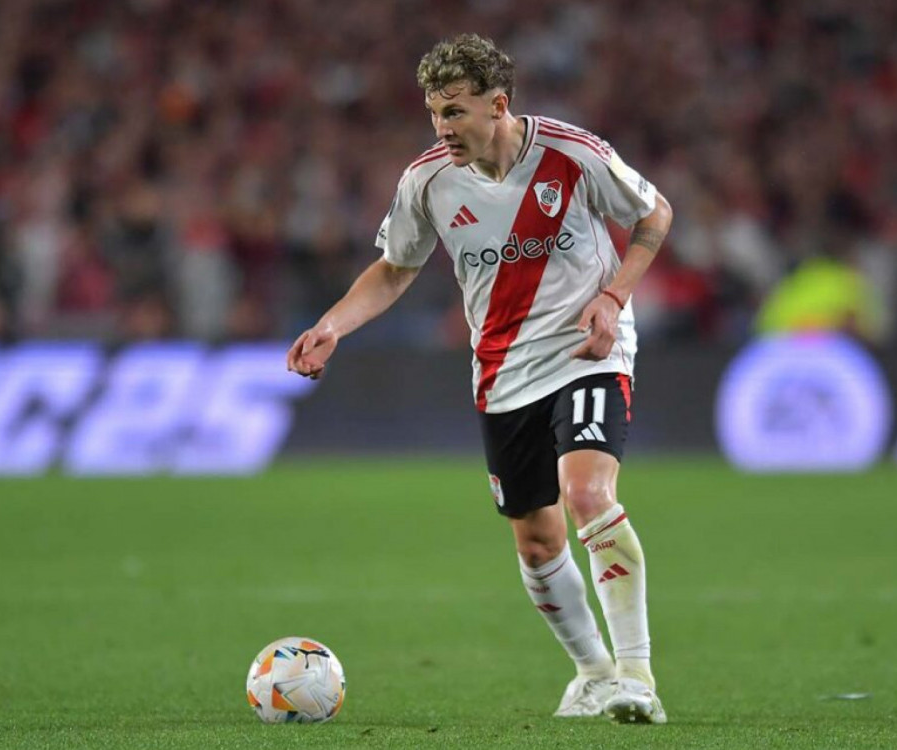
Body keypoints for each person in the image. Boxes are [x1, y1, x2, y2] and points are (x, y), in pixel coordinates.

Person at [287, 33, 673, 724]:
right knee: (535, 538)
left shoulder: (571, 154)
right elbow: (396, 269)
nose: (443, 127)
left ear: (498, 105)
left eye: (456, 111)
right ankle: (592, 674)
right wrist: (332, 326)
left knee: (586, 492)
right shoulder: (427, 181)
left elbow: (654, 214)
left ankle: (637, 676)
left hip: (587, 351)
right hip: (502, 372)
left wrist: (613, 297)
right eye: (435, 112)